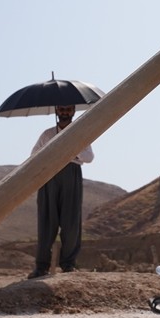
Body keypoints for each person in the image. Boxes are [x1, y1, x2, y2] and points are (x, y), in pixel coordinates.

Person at [27, 104, 94, 279]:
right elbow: (34, 155)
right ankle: (41, 267)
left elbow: (89, 157)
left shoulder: (80, 132)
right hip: (49, 176)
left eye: (68, 109)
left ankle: (68, 265)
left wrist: (72, 146)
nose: (65, 112)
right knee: (47, 222)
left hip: (71, 175)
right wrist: (53, 151)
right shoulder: (47, 134)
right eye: (62, 109)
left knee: (71, 222)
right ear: (57, 111)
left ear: (73, 111)